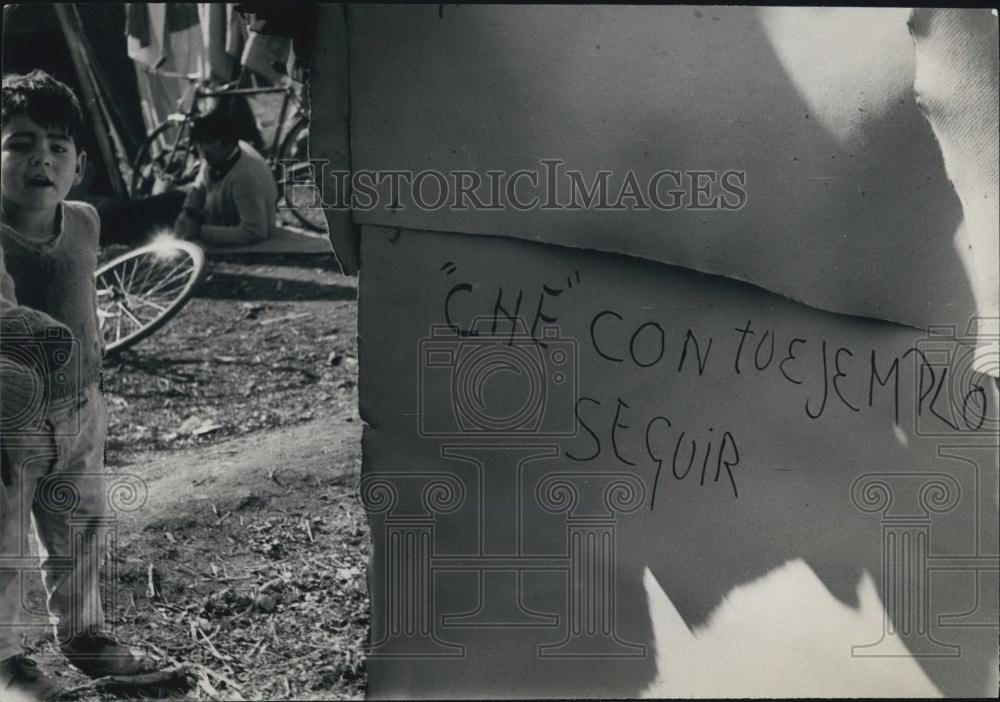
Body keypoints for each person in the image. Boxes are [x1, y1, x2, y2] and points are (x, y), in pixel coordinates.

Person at [1, 69, 155, 700]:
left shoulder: (85, 222)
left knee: (82, 526)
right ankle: (6, 658)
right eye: (20, 142)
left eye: (58, 146)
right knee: (3, 536)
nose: (42, 158)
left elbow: (84, 300)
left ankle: (84, 631)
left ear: (80, 164)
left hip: (81, 405)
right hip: (8, 421)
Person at [174, 108, 280, 246]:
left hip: (225, 223)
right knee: (164, 203)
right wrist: (188, 211)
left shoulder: (244, 176)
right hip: (213, 213)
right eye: (200, 143)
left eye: (210, 142)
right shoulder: (218, 154)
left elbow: (255, 231)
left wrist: (199, 231)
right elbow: (200, 185)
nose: (204, 149)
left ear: (229, 143)